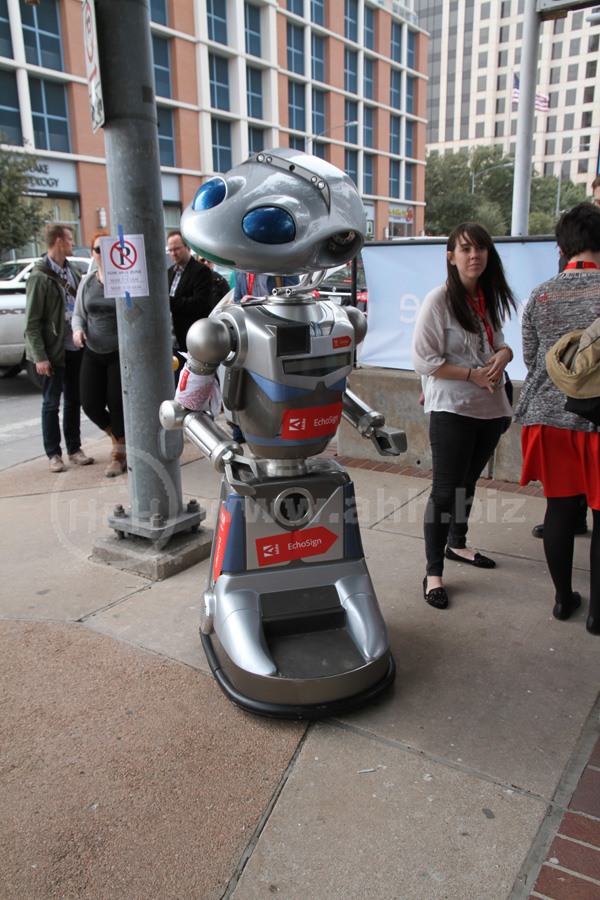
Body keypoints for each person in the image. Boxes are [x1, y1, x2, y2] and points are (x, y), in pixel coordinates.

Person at [412, 222, 517, 610]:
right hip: (452, 408)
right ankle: (434, 571)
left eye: (481, 249)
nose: (475, 256)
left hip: (489, 408)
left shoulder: (486, 299)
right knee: (444, 491)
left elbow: (499, 344)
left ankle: (458, 544)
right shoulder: (438, 300)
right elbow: (424, 360)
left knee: (467, 484)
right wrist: (472, 374)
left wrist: (504, 355)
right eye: (466, 249)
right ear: (451, 256)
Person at [514, 201, 600, 635]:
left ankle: (563, 599)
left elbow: (533, 361)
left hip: (548, 419)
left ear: (564, 248)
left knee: (559, 512)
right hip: (599, 422)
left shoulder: (541, 295)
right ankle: (597, 615)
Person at [24, 223, 94, 473]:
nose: (73, 243)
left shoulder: (73, 271)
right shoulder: (40, 276)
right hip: (52, 352)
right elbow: (32, 322)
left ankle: (74, 448)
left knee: (73, 400)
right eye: (70, 239)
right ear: (58, 241)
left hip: (73, 347)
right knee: (51, 403)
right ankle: (54, 453)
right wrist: (40, 357)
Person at [72, 232, 126, 477]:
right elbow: (79, 313)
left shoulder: (124, 280)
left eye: (107, 249)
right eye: (97, 249)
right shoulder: (87, 281)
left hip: (118, 351)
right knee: (91, 403)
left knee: (116, 403)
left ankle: (118, 454)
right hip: (93, 350)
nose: (102, 254)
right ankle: (120, 439)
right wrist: (77, 330)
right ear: (92, 253)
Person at [166, 230, 213, 375]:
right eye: (170, 250)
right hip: (172, 340)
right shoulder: (169, 272)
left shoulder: (201, 271)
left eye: (177, 249)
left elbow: (200, 304)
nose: (173, 253)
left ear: (187, 248)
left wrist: (171, 302)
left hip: (192, 340)